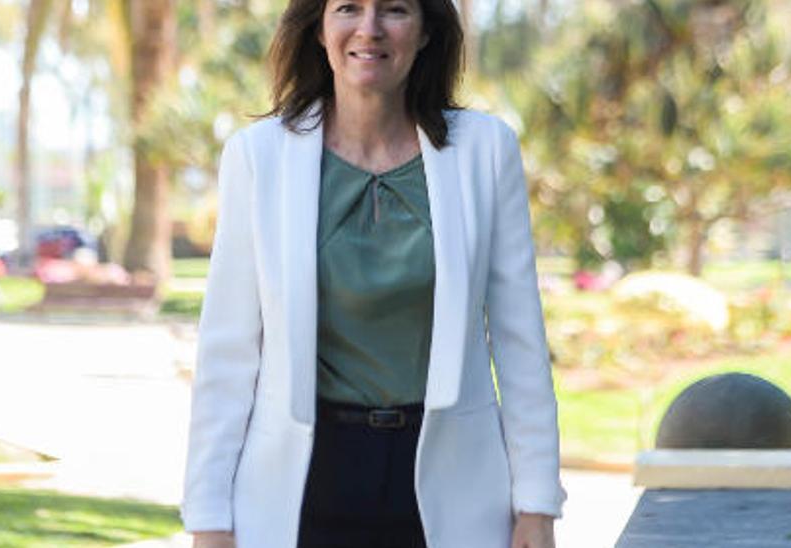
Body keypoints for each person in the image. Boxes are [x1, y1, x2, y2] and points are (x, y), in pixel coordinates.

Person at [182, 0, 565, 546]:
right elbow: (227, 354)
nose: (370, 29)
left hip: (453, 486)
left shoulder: (485, 150)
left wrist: (536, 504)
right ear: (318, 28)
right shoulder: (257, 158)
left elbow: (520, 341)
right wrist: (209, 519)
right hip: (299, 488)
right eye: (348, 8)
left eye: (395, 10)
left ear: (427, 30)